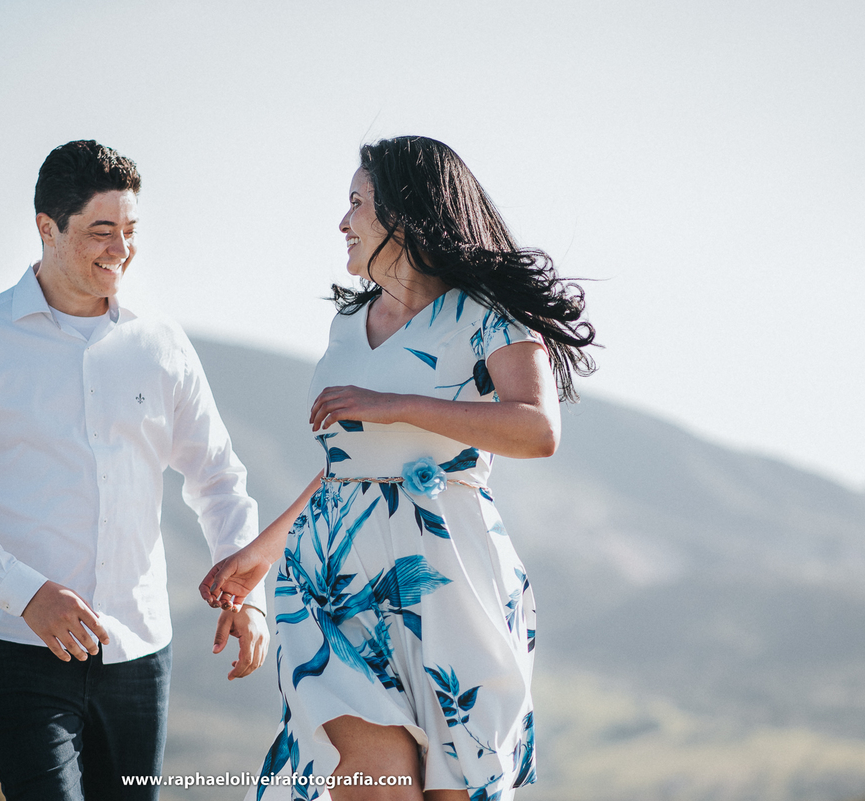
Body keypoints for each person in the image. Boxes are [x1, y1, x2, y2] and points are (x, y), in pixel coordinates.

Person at [200, 136, 596, 801]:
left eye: (357, 203)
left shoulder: (488, 314)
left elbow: (536, 427)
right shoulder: (347, 325)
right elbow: (346, 465)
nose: (342, 221)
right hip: (333, 581)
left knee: (452, 790)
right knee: (373, 783)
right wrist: (262, 552)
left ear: (405, 217)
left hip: (449, 578)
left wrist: (397, 406)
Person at [0, 139, 270, 801]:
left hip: (140, 648)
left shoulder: (161, 344)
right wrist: (25, 592)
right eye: (102, 232)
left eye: (130, 231)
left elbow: (216, 476)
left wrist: (248, 593)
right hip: (11, 640)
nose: (120, 248)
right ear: (47, 229)